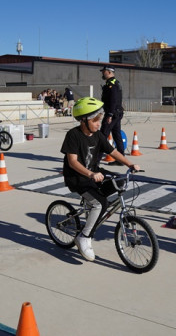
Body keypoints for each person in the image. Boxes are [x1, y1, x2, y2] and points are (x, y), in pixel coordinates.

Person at [61, 97, 140, 261]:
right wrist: (90, 174)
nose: (99, 124)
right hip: (77, 178)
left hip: (94, 173)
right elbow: (72, 161)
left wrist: (130, 164)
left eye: (100, 120)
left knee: (118, 182)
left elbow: (113, 152)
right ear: (84, 120)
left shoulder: (98, 135)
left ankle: (93, 207)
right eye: (95, 120)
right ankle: (84, 236)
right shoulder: (73, 135)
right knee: (100, 203)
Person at [100, 66, 125, 164]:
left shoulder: (112, 84)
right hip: (116, 112)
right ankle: (121, 159)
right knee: (117, 135)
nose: (102, 74)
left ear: (110, 72)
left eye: (104, 72)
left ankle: (95, 160)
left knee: (102, 135)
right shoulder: (114, 82)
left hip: (113, 113)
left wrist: (109, 114)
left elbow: (113, 100)